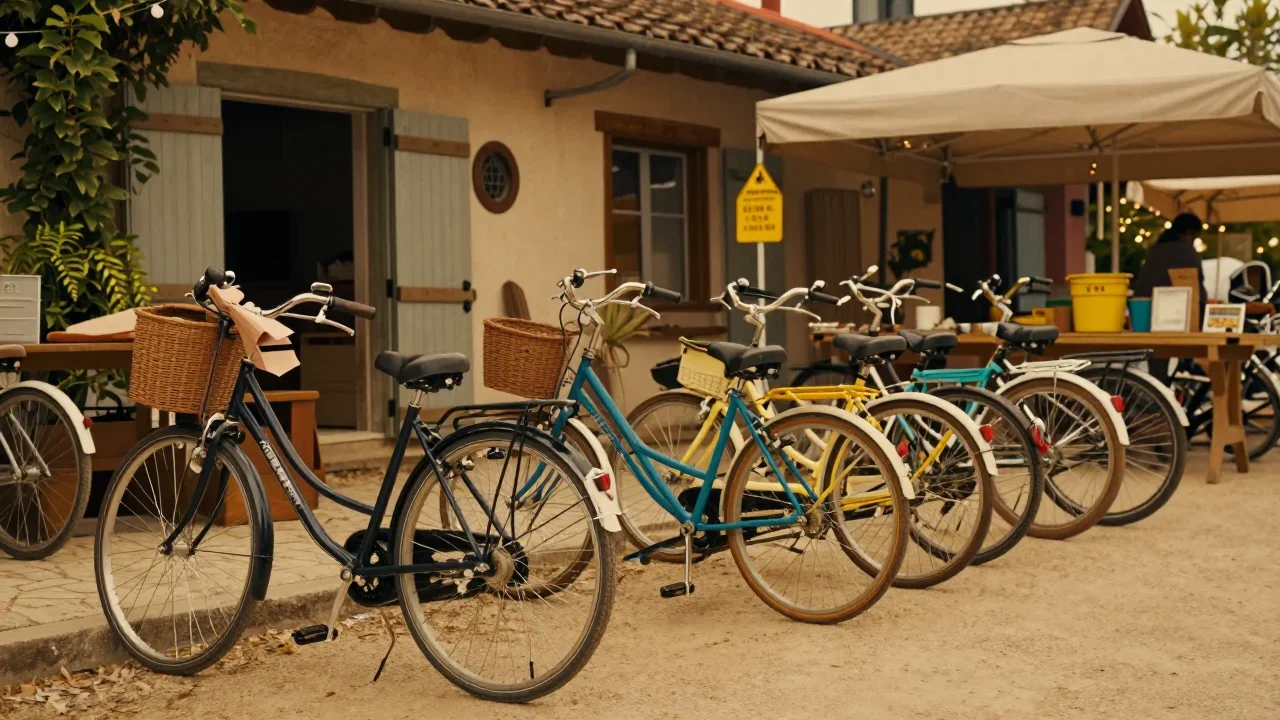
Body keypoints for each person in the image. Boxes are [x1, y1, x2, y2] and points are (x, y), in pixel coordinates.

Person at [1133, 212, 1209, 385]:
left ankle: (1158, 401)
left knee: (1157, 369)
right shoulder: (1186, 252)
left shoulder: (1156, 249)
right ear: (1189, 233)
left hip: (1146, 316)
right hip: (1176, 317)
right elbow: (1196, 289)